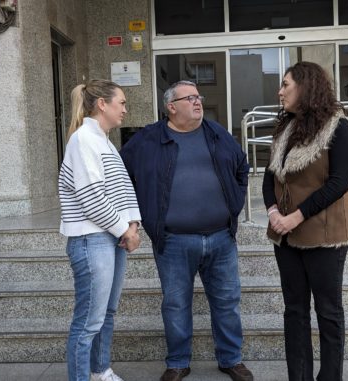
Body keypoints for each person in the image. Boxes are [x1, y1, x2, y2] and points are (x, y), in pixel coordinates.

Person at [120, 80, 253, 381]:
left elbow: (242, 167)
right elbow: (120, 176)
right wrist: (136, 216)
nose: (198, 102)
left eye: (198, 96)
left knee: (227, 302)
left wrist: (233, 204)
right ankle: (178, 362)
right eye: (189, 98)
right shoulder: (147, 140)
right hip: (173, 241)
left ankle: (231, 359)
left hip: (221, 238)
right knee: (176, 303)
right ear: (171, 107)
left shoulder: (216, 133)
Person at [262, 61, 348, 381]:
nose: (280, 91)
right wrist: (274, 214)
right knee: (295, 312)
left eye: (285, 84)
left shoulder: (339, 128)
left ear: (305, 86)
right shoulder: (285, 127)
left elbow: (338, 183)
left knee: (328, 314)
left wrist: (296, 217)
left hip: (324, 235)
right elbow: (268, 178)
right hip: (285, 236)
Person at [59, 79, 141, 381]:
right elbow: (92, 198)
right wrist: (125, 230)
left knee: (106, 313)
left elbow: (122, 191)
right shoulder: (84, 140)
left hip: (110, 236)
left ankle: (99, 370)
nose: (125, 109)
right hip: (91, 239)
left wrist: (132, 225)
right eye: (121, 102)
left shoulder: (104, 141)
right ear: (102, 104)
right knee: (88, 321)